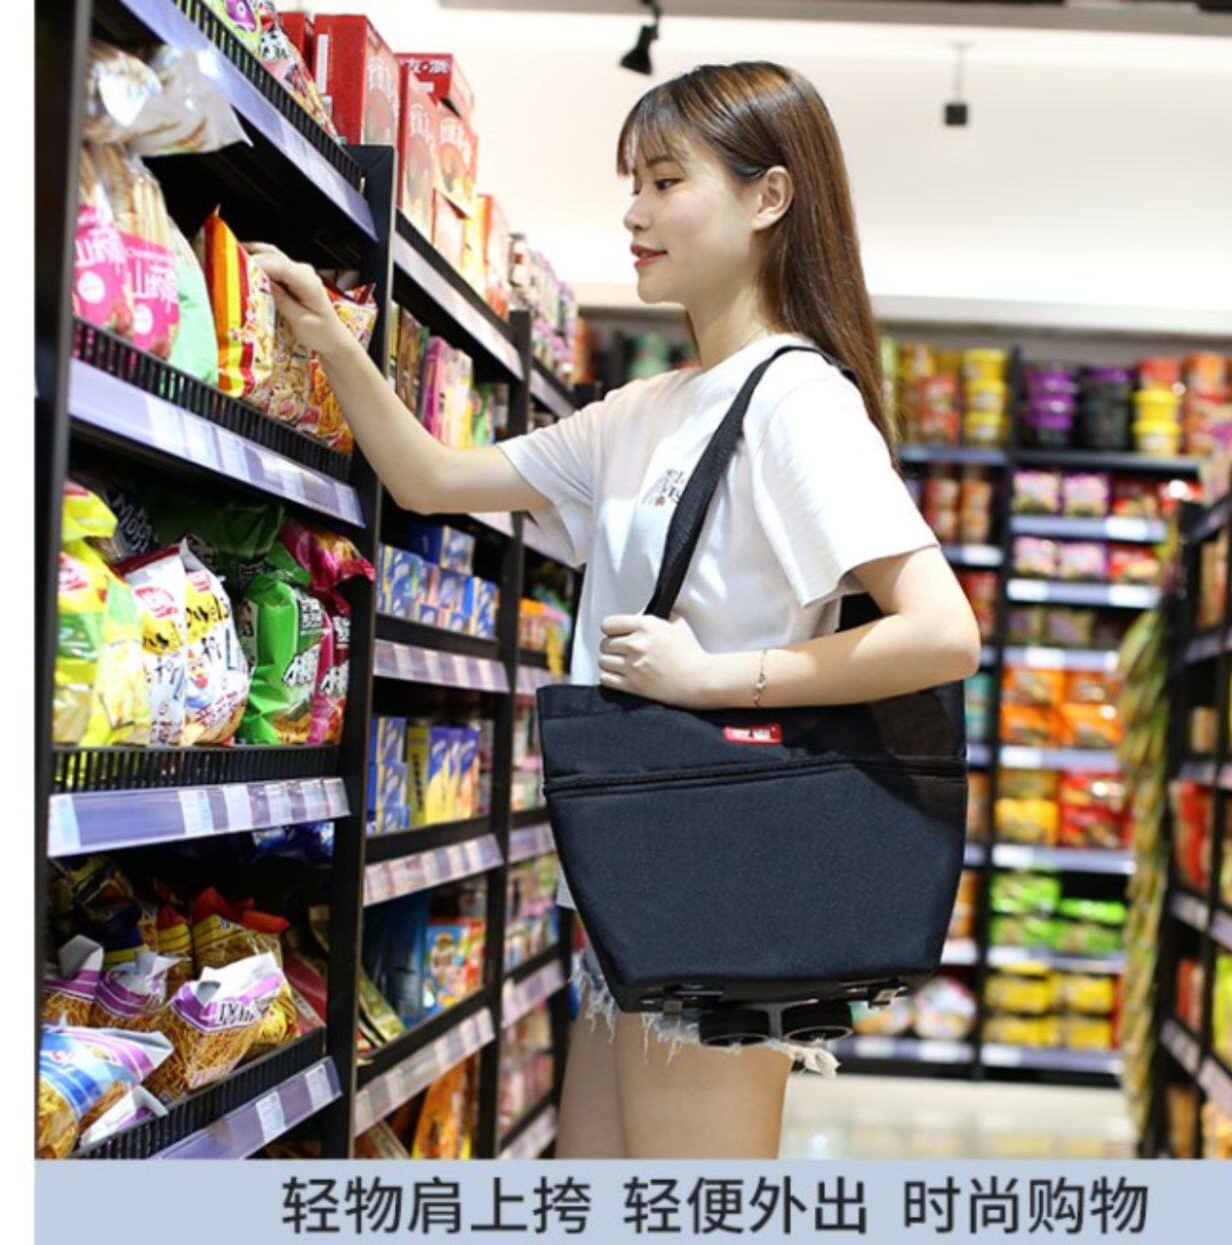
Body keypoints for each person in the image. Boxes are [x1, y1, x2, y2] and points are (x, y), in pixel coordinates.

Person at [252, 60, 980, 1161]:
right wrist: (333, 342)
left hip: (720, 859)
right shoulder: (643, 410)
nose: (634, 214)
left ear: (769, 198)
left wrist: (715, 678)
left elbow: (942, 632)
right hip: (631, 858)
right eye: (631, 183)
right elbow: (432, 479)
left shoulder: (798, 401)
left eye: (665, 181)